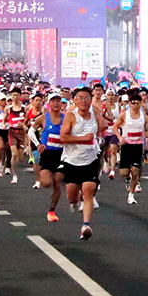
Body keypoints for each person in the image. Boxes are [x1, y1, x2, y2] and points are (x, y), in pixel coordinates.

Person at [59, 88, 106, 240]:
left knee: (88, 192)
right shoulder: (71, 116)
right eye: (80, 98)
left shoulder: (94, 114)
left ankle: (86, 225)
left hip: (91, 159)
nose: (84, 101)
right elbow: (63, 137)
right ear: (75, 101)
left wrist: (97, 116)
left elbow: (104, 126)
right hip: (72, 160)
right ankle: (74, 202)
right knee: (72, 196)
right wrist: (82, 139)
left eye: (87, 98)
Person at [32, 93, 65, 221]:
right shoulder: (43, 118)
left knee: (57, 181)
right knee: (46, 183)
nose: (56, 104)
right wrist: (38, 144)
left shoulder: (67, 118)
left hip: (61, 155)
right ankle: (41, 177)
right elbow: (30, 131)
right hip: (46, 154)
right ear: (49, 103)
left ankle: (52, 210)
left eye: (58, 101)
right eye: (53, 101)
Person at [113, 90, 148, 204]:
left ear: (140, 103)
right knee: (124, 172)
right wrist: (120, 137)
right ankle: (128, 179)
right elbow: (115, 127)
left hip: (137, 145)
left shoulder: (143, 116)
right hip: (126, 145)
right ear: (129, 104)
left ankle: (131, 194)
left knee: (135, 170)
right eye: (132, 103)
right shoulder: (125, 115)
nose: (135, 105)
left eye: (137, 103)